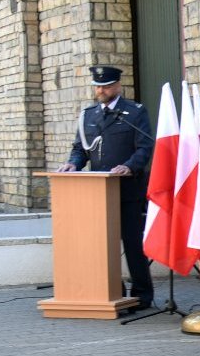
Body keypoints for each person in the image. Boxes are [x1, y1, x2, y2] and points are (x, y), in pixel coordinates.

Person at [58, 64, 154, 310]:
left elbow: (144, 147)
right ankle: (113, 291)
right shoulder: (88, 115)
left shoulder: (134, 113)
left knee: (133, 244)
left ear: (118, 86)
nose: (102, 91)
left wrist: (129, 166)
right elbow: (81, 148)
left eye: (107, 86)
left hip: (128, 190)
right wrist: (73, 164)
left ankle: (142, 295)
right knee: (103, 245)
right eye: (98, 87)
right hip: (98, 194)